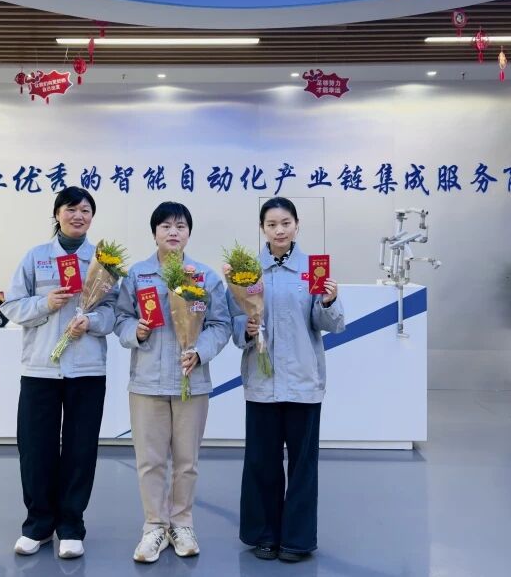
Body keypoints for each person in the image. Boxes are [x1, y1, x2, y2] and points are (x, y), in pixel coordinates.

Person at [1, 186, 117, 559]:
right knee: (36, 449)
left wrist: (92, 321)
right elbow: (12, 306)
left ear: (92, 217)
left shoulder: (104, 261)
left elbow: (114, 313)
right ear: (57, 214)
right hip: (41, 368)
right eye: (70, 209)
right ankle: (37, 524)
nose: (78, 215)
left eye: (85, 210)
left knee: (81, 449)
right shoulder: (36, 257)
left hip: (86, 368)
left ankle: (70, 526)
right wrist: (45, 303)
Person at [226, 196, 344, 563]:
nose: (279, 230)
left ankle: (297, 539)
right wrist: (245, 329)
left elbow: (329, 324)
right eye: (272, 224)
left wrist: (329, 301)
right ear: (262, 229)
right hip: (262, 383)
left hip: (303, 381)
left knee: (303, 465)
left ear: (297, 225)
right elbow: (234, 326)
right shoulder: (246, 272)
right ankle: (264, 534)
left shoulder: (313, 269)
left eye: (286, 223)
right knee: (261, 462)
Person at [114, 202, 231, 563]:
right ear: (155, 233)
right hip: (147, 382)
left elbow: (221, 324)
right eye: (165, 226)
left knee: (186, 461)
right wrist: (135, 331)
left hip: (190, 382)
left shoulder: (205, 276)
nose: (173, 232)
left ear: (189, 233)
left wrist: (201, 352)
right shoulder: (138, 275)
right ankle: (154, 526)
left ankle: (181, 523)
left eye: (180, 226)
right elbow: (120, 317)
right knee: (149, 462)